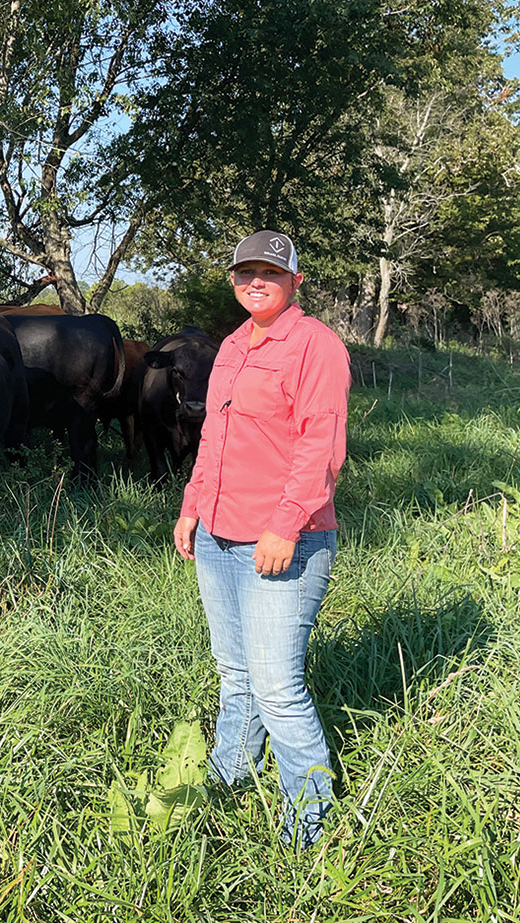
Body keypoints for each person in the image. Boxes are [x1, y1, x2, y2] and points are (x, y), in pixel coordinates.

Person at [172, 230, 350, 848]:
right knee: (236, 672)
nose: (257, 281)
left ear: (295, 282)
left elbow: (320, 447)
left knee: (277, 686)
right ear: (233, 281)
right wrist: (193, 506)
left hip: (283, 538)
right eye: (246, 271)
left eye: (270, 273)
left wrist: (285, 523)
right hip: (218, 535)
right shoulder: (228, 347)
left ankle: (310, 817)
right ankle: (231, 773)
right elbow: (213, 441)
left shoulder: (315, 346)